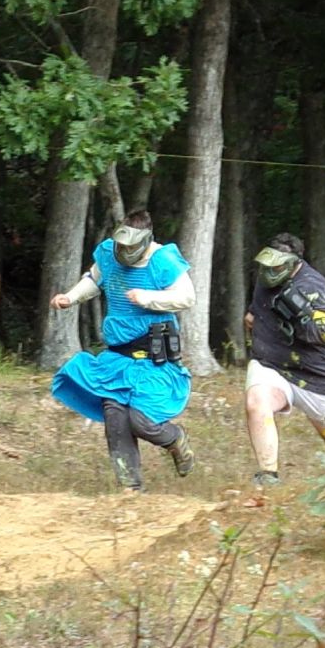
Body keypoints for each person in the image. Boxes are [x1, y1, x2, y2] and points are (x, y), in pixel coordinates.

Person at [50, 209, 196, 492]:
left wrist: (149, 298)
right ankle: (130, 489)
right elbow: (94, 279)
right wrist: (71, 297)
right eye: (121, 245)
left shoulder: (162, 259)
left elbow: (186, 297)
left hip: (154, 359)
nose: (125, 251)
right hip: (118, 357)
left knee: (141, 421)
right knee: (115, 417)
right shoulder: (108, 253)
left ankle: (175, 439)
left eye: (131, 247)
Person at [243, 232, 325, 487]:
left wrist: (301, 312)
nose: (269, 272)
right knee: (257, 402)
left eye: (277, 267)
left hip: (319, 372)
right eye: (267, 265)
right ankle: (268, 476)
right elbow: (253, 316)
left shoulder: (312, 286)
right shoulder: (265, 277)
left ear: (293, 264)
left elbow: (323, 335)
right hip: (272, 364)